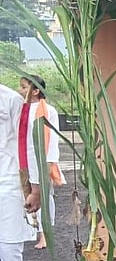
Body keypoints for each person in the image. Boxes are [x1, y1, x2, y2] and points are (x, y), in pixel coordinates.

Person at [0, 83, 40, 261]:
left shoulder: (11, 100)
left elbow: (28, 146)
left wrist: (35, 188)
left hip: (8, 184)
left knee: (9, 249)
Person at [18, 75, 63, 250]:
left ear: (36, 90)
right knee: (27, 193)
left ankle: (45, 234)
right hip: (24, 159)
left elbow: (52, 140)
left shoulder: (49, 110)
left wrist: (50, 162)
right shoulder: (22, 109)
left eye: (24, 87)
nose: (20, 90)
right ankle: (33, 230)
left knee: (44, 195)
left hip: (41, 160)